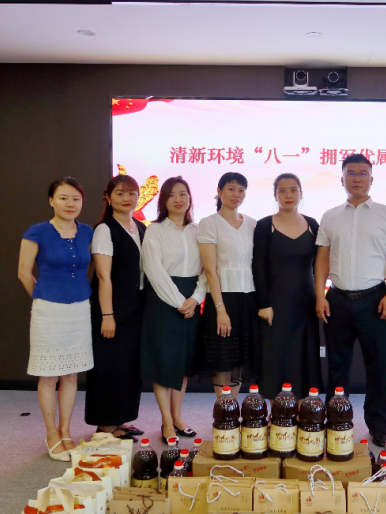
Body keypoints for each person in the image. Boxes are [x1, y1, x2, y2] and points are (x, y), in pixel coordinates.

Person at [315, 154, 386, 447]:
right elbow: (322, 258)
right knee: (337, 366)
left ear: (371, 179)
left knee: (378, 367)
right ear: (342, 178)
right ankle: (336, 422)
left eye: (363, 173)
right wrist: (320, 295)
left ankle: (377, 426)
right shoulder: (330, 215)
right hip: (337, 299)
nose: (357, 178)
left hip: (375, 298)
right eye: (351, 173)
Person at [18, 177, 94, 461]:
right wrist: (43, 298)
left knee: (71, 374)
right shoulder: (37, 231)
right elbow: (24, 273)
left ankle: (65, 431)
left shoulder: (87, 232)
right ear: (51, 201)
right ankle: (51, 433)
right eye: (63, 198)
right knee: (49, 375)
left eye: (75, 198)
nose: (70, 203)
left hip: (79, 309)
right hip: (49, 312)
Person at [141, 177, 205, 443]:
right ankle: (166, 422)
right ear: (163, 200)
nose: (179, 199)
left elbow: (208, 268)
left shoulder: (199, 230)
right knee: (164, 361)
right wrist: (180, 301)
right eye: (172, 195)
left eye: (183, 194)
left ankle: (178, 417)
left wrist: (196, 298)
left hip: (192, 299)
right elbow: (153, 269)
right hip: (163, 300)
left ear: (190, 198)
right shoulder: (155, 230)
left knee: (183, 363)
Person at [87, 175, 147, 441]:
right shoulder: (105, 229)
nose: (127, 198)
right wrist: (107, 315)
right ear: (108, 198)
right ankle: (105, 426)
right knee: (109, 366)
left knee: (128, 367)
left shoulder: (140, 227)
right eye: (120, 193)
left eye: (132, 193)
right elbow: (103, 276)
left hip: (135, 309)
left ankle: (120, 420)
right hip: (112, 310)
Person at [253, 173, 323, 399]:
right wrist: (264, 304)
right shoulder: (265, 225)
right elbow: (258, 267)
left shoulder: (313, 224)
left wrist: (320, 296)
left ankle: (303, 412)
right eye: (282, 191)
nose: (288, 195)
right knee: (276, 358)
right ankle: (279, 414)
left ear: (301, 193)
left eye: (293, 190)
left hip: (305, 303)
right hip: (275, 304)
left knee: (303, 358)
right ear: (275, 195)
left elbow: (321, 265)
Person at [197, 172, 259, 397]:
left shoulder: (252, 224)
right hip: (222, 299)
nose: (236, 194)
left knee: (240, 359)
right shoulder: (209, 223)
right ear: (219, 191)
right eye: (231, 189)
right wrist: (220, 310)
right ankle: (224, 410)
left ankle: (233, 408)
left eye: (241, 190)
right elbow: (210, 271)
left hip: (249, 299)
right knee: (223, 360)